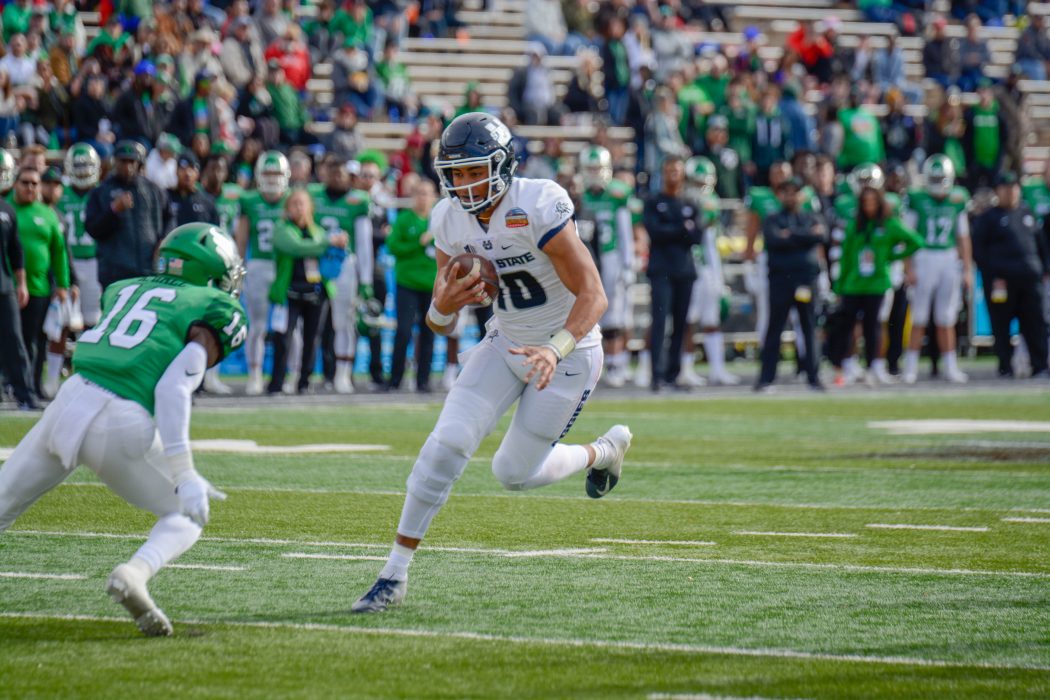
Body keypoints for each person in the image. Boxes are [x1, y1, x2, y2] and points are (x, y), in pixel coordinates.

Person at [350, 113, 632, 613]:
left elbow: (595, 295)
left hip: (567, 351)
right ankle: (393, 574)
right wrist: (444, 306)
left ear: (503, 165)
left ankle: (601, 452)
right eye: (454, 173)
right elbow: (440, 322)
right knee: (448, 442)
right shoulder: (448, 219)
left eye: (473, 170)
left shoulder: (538, 203)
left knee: (512, 473)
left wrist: (555, 347)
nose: (464, 183)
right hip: (504, 341)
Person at [0, 223, 247, 636]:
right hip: (121, 419)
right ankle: (134, 573)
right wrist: (184, 471)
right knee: (186, 515)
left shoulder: (124, 288)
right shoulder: (214, 307)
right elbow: (172, 388)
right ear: (206, 271)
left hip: (68, 400)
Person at [830, 186, 923, 386]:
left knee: (874, 326)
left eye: (873, 201)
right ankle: (847, 365)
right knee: (849, 326)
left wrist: (890, 257)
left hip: (877, 283)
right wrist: (839, 285)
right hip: (854, 284)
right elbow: (846, 257)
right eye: (866, 202)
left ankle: (874, 366)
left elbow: (915, 241)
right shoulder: (854, 226)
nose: (869, 206)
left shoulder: (889, 224)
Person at [267, 189, 347, 395]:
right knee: (283, 339)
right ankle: (276, 383)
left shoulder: (318, 231)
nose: (299, 208)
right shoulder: (282, 229)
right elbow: (295, 247)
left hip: (316, 293)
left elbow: (332, 255)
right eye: (294, 204)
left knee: (313, 340)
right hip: (289, 293)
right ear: (287, 208)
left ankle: (304, 382)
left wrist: (336, 245)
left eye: (302, 203)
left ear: (310, 207)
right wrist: (326, 243)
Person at [972, 172, 1050, 379]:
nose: (1010, 191)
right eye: (1006, 188)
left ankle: (1039, 364)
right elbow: (979, 250)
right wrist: (992, 274)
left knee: (1035, 322)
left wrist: (1043, 269)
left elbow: (1040, 244)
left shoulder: (1027, 213)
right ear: (998, 191)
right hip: (1002, 282)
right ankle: (1006, 365)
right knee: (1001, 323)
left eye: (1014, 187)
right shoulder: (990, 218)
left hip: (1030, 278)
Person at [902, 155, 972, 384]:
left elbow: (963, 237)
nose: (939, 181)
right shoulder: (916, 198)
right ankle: (910, 366)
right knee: (920, 316)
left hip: (948, 257)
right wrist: (908, 266)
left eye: (942, 177)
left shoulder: (957, 199)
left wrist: (967, 269)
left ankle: (950, 366)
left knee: (946, 316)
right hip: (924, 256)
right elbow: (907, 236)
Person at [307, 154, 373, 394]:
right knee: (312, 324)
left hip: (344, 266)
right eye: (332, 170)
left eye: (341, 172)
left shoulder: (357, 201)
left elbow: (364, 245)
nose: (337, 176)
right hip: (315, 263)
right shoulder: (313, 196)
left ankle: (342, 374)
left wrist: (365, 280)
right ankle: (305, 375)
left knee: (343, 322)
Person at [755, 176, 826, 392]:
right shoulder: (773, 218)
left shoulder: (810, 216)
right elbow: (774, 240)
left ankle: (814, 376)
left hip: (806, 279)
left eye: (794, 192)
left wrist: (791, 236)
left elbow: (821, 236)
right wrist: (803, 237)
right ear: (780, 195)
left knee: (809, 327)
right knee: (775, 327)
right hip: (781, 280)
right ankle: (766, 378)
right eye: (786, 192)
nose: (791, 196)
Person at [644, 156, 702, 393]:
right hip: (661, 270)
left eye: (676, 171)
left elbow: (697, 235)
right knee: (659, 322)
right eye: (669, 171)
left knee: (681, 323)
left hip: (684, 270)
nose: (673, 175)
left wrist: (674, 229)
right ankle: (656, 375)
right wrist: (681, 228)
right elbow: (655, 232)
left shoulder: (691, 202)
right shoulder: (653, 201)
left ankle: (674, 374)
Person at [578, 145, 635, 388]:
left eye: (597, 168)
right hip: (588, 259)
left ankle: (616, 364)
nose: (593, 173)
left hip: (611, 256)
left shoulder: (617, 194)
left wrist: (628, 262)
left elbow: (625, 230)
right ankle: (591, 367)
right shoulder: (578, 195)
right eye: (590, 168)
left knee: (614, 312)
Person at [235, 150, 290, 395]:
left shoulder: (292, 199)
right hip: (258, 265)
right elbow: (241, 240)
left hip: (284, 268)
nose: (271, 178)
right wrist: (238, 268)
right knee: (257, 326)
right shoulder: (249, 201)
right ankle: (254, 374)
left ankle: (291, 373)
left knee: (288, 327)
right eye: (267, 173)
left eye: (276, 173)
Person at [14, 166, 69, 399]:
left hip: (39, 288)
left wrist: (63, 284)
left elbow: (59, 252)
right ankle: (12, 385)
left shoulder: (49, 214)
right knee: (10, 340)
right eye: (25, 182)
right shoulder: (7, 209)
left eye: (34, 183)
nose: (29, 187)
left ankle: (32, 386)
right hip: (8, 287)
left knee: (36, 342)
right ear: (15, 183)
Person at [84, 140, 171, 290]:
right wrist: (113, 210)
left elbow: (169, 216)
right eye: (123, 161)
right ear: (115, 162)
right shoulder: (101, 192)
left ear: (138, 164)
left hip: (148, 271)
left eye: (132, 162)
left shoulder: (152, 190)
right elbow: (92, 228)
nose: (128, 166)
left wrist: (164, 240)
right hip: (115, 275)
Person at [682, 156, 738, 387]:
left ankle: (717, 368)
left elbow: (711, 243)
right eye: (696, 182)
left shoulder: (711, 201)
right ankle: (685, 368)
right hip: (690, 267)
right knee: (689, 320)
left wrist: (718, 276)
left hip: (708, 267)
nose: (700, 188)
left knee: (712, 319)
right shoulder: (684, 202)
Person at [385, 178, 438, 392]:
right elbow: (393, 246)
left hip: (431, 285)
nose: (423, 198)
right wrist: (419, 243)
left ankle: (423, 380)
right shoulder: (405, 219)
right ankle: (395, 379)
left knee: (429, 333)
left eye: (427, 193)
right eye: (420, 193)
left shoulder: (439, 220)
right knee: (404, 331)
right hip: (407, 283)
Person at [0, 166, 34, 409]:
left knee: (14, 340)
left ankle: (25, 393)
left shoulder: (6, 209)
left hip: (4, 284)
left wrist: (21, 283)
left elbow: (16, 250)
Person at [57, 144, 102, 327]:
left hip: (94, 260)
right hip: (69, 260)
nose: (83, 171)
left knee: (93, 318)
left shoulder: (101, 192)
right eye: (78, 166)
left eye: (86, 165)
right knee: (67, 320)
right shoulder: (60, 192)